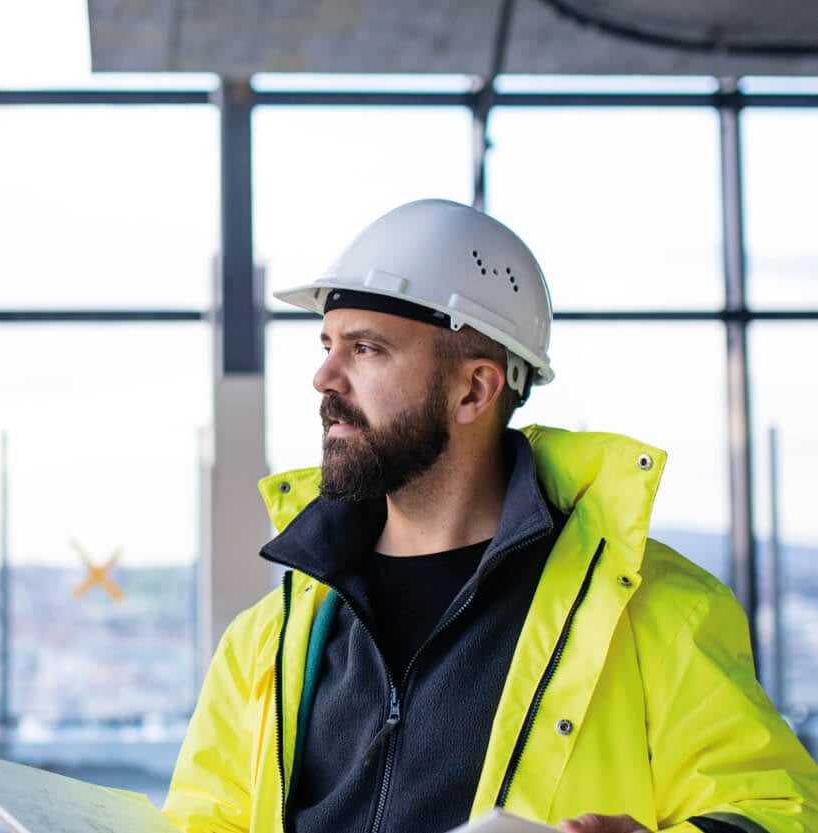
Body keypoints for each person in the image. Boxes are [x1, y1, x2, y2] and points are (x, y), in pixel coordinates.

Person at [162, 199, 818, 833]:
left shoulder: (656, 613)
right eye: (328, 343)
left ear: (473, 388)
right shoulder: (268, 637)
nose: (324, 377)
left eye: (366, 349)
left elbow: (777, 811)